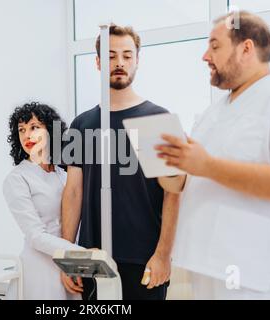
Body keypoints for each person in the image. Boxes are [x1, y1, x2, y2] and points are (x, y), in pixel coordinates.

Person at [156, 11, 270, 299]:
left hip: (257, 278)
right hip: (205, 268)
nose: (205, 56)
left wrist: (207, 166)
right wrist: (174, 170)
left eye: (215, 46)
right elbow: (186, 182)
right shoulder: (213, 113)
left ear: (246, 49)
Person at [61, 24, 182, 300]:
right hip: (93, 260)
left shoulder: (157, 120)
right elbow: (73, 192)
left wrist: (163, 255)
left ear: (137, 61)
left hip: (143, 260)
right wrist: (69, 256)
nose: (119, 63)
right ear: (98, 62)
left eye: (127, 56)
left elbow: (173, 195)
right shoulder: (81, 124)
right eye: (112, 55)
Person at [3, 102, 83, 300]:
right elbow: (36, 236)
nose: (27, 135)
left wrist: (74, 262)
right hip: (38, 269)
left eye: (34, 127)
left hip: (69, 267)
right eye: (21, 130)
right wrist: (81, 254)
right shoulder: (17, 178)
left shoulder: (64, 175)